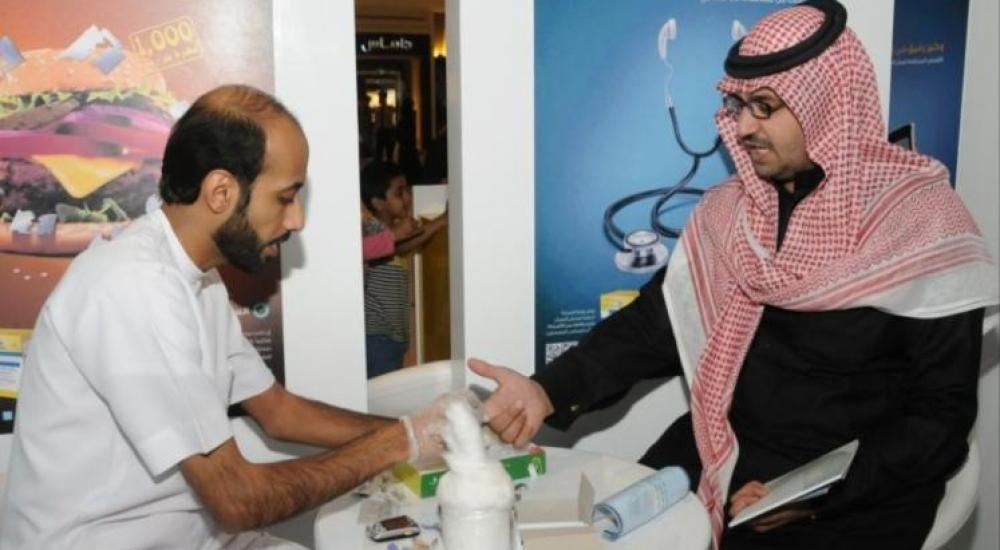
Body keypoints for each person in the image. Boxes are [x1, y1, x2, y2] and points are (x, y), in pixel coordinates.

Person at [473, 2, 998, 549]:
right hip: (724, 449)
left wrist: (812, 493)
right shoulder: (732, 213)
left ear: (827, 104)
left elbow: (940, 418)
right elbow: (651, 326)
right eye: (738, 105)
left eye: (765, 107)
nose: (743, 127)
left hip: (851, 490)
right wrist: (547, 390)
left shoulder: (922, 225)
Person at [0, 85, 463, 549]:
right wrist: (400, 442)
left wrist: (428, 431)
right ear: (221, 191)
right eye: (285, 198)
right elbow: (237, 499)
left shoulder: (197, 278)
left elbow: (279, 413)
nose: (297, 220)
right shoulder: (133, 285)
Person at [360, 162, 447, 378]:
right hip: (378, 336)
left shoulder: (390, 232)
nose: (407, 197)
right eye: (399, 192)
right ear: (378, 203)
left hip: (393, 337)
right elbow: (400, 245)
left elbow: (406, 242)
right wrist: (441, 221)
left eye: (406, 190)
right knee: (381, 392)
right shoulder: (372, 230)